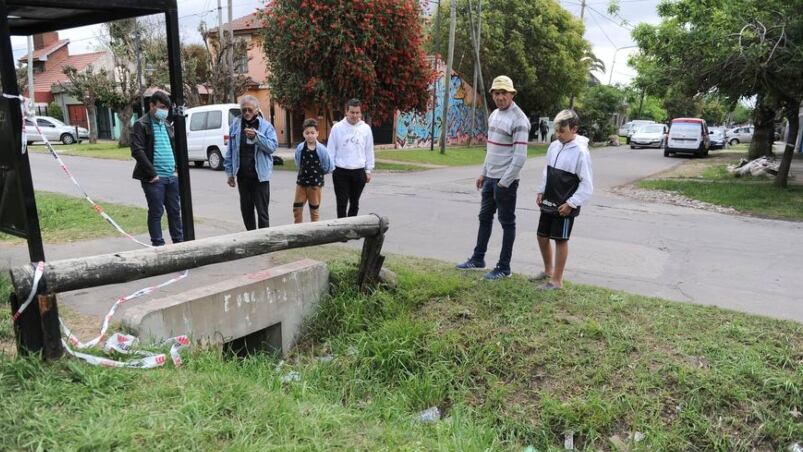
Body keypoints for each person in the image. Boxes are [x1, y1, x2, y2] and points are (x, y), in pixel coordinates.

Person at [456, 75, 530, 280]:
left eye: (504, 93)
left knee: (507, 222)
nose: (500, 97)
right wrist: (484, 173)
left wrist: (504, 182)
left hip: (505, 182)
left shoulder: (519, 120)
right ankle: (478, 258)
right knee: (484, 218)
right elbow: (491, 149)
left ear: (512, 94)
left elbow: (520, 157)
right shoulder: (494, 115)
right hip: (490, 178)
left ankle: (504, 267)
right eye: (496, 93)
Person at [533, 109, 593, 290]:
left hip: (565, 205)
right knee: (542, 236)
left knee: (560, 239)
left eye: (562, 131)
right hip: (549, 200)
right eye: (556, 131)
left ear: (574, 129)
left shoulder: (581, 152)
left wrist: (571, 203)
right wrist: (541, 191)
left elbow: (587, 185)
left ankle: (557, 281)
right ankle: (548, 270)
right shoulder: (554, 146)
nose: (557, 135)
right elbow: (547, 170)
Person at [131, 90, 183, 247]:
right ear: (151, 105)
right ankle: (158, 245)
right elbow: (137, 150)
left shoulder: (166, 124)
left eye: (166, 108)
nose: (164, 111)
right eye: (161, 107)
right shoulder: (141, 124)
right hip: (154, 179)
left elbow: (172, 147)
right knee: (156, 212)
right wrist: (152, 174)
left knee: (175, 211)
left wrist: (176, 169)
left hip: (171, 177)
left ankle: (179, 243)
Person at [224, 95, 278, 230]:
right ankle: (251, 240)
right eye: (244, 110)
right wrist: (230, 174)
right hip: (242, 177)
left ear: (257, 110)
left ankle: (265, 241)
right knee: (246, 212)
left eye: (250, 110)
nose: (247, 113)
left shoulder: (266, 126)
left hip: (260, 177)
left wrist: (257, 137)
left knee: (262, 212)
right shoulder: (235, 125)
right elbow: (230, 151)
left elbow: (272, 147)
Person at [327, 98, 375, 218]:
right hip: (341, 171)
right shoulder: (337, 128)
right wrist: (332, 168)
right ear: (346, 112)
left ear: (360, 113)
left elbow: (369, 150)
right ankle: (342, 229)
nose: (354, 115)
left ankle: (352, 227)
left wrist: (368, 170)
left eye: (357, 112)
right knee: (342, 203)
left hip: (359, 171)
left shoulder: (366, 129)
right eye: (352, 112)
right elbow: (331, 150)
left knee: (355, 202)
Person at [293, 118, 333, 223]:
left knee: (314, 210)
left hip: (315, 184)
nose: (310, 135)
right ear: (303, 134)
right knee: (297, 208)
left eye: (312, 133)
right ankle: (297, 229)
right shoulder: (300, 148)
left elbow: (327, 165)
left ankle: (315, 231)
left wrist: (320, 174)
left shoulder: (322, 150)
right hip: (301, 182)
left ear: (317, 134)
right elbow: (298, 161)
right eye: (307, 133)